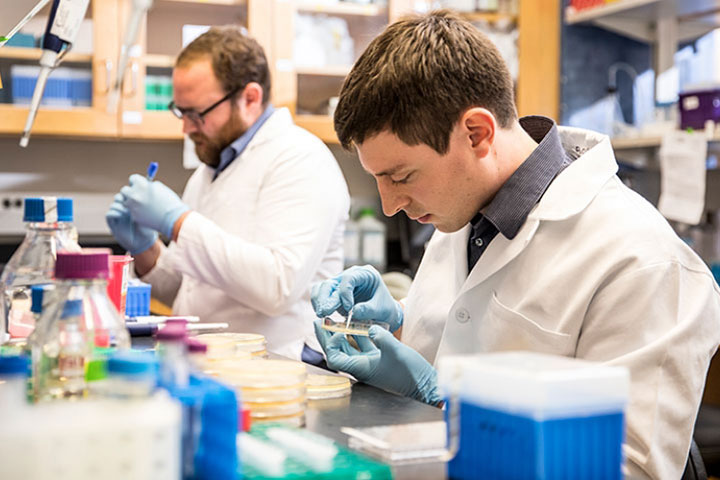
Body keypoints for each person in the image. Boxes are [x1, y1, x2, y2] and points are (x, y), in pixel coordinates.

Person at [310, 10, 720, 479]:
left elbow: (630, 471)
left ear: (477, 133)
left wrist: (447, 403)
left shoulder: (645, 263)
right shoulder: (464, 209)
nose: (388, 205)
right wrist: (399, 326)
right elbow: (468, 340)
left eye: (400, 176)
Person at [106, 26, 350, 362]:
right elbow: (190, 291)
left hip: (277, 374)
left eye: (197, 114)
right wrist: (146, 249)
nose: (186, 127)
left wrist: (178, 222)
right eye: (181, 111)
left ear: (250, 98)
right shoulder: (210, 171)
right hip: (210, 368)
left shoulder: (301, 160)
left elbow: (276, 287)